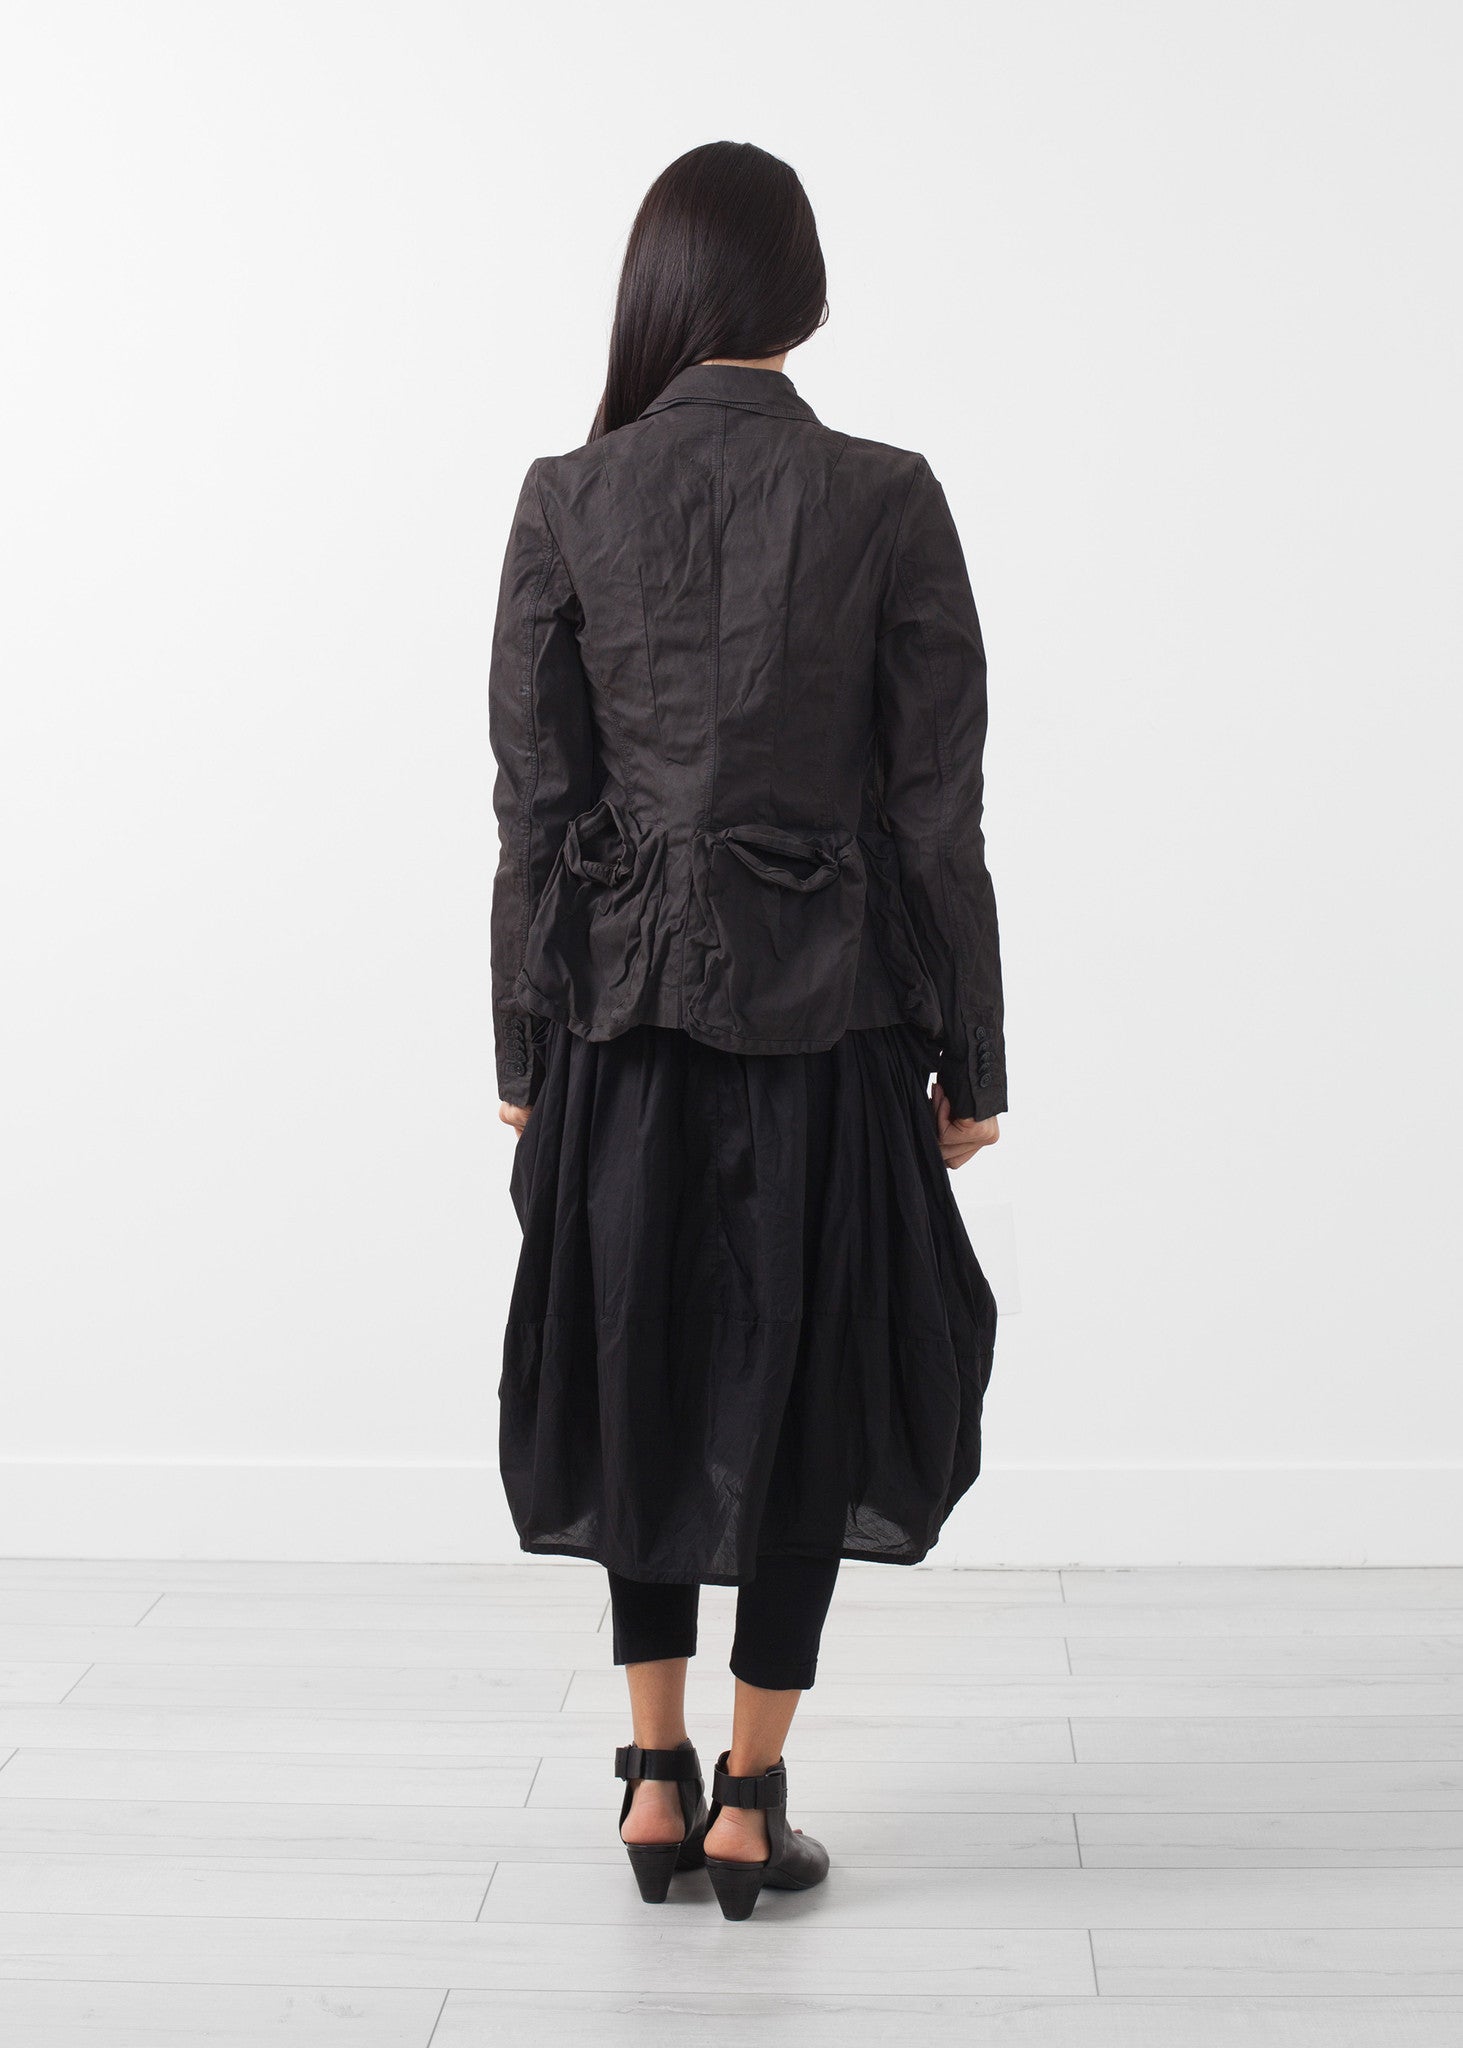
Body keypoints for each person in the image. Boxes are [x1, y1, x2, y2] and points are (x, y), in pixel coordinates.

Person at [488, 140, 1005, 1920]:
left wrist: (521, 1049)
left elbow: (535, 808)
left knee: (634, 1364)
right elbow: (936, 816)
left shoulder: (570, 495)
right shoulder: (890, 497)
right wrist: (970, 1056)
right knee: (813, 1381)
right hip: (831, 1019)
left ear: (660, 287)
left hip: (618, 1021)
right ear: (807, 293)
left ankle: (650, 1773)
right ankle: (747, 1799)